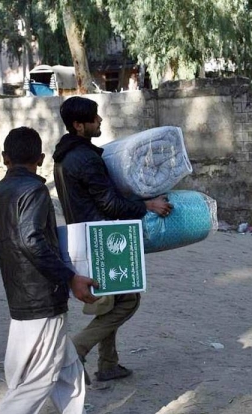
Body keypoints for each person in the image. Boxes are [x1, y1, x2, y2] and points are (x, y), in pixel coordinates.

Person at [53, 96, 172, 383]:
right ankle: (76, 348)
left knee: (112, 300)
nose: (101, 121)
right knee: (128, 301)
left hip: (83, 236)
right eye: (95, 118)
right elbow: (111, 205)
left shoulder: (65, 156)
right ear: (79, 125)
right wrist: (148, 206)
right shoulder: (85, 159)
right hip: (105, 239)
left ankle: (108, 363)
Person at [0, 126, 98, 414]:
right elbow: (30, 239)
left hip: (22, 296)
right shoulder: (34, 190)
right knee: (39, 379)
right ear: (40, 158)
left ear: (4, 158)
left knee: (67, 365)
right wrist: (71, 277)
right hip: (41, 299)